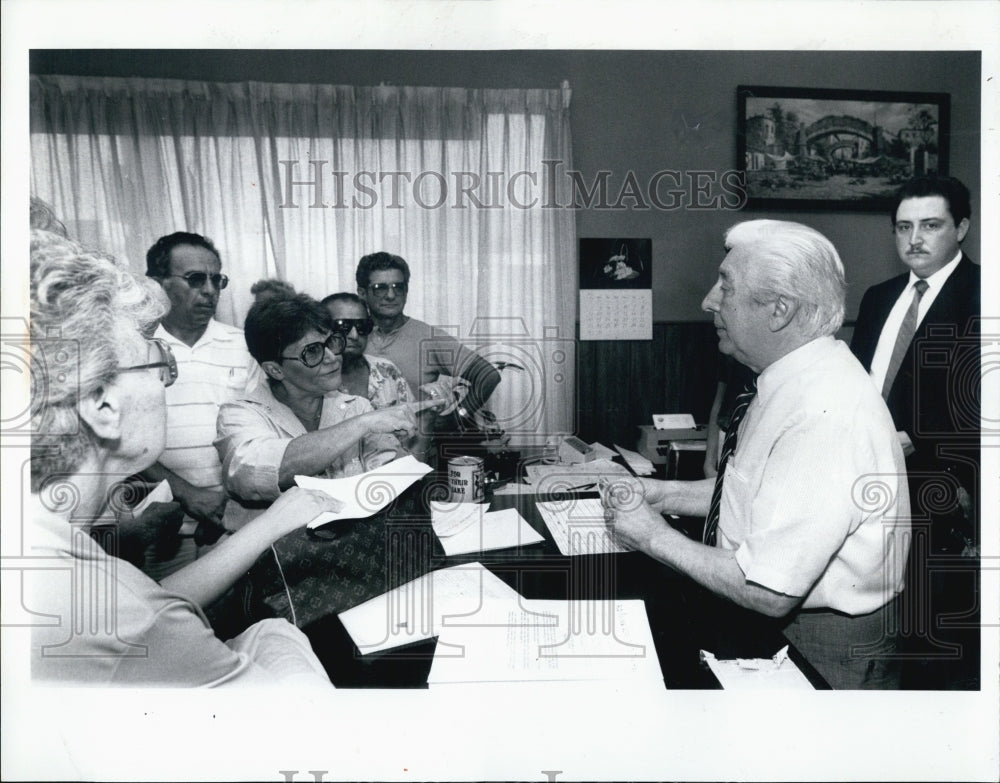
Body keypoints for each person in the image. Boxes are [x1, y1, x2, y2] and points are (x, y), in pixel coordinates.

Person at [603, 219, 910, 689]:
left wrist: (650, 535)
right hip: (784, 629)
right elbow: (759, 495)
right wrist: (662, 495)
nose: (708, 301)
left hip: (821, 649)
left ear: (779, 310)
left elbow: (766, 589)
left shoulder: (822, 413)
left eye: (725, 286)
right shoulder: (792, 378)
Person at [27, 229, 342, 685]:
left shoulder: (57, 555)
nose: (167, 383)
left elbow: (152, 600)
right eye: (158, 365)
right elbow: (288, 715)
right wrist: (272, 634)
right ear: (102, 406)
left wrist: (270, 524)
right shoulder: (116, 609)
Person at [850, 175, 981, 688]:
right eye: (903, 227)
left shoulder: (984, 295)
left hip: (941, 491)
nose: (915, 239)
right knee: (876, 623)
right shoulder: (879, 297)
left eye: (931, 225)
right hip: (868, 482)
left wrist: (918, 440)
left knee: (932, 639)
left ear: (962, 228)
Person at [215, 291, 443, 531]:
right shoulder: (238, 415)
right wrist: (362, 424)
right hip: (271, 561)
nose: (333, 358)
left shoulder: (355, 407)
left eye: (332, 343)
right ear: (275, 370)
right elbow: (260, 470)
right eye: (312, 352)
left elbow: (392, 484)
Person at [141, 231, 255, 577]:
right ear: (158, 284)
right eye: (195, 279)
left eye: (216, 279)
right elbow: (118, 442)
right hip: (161, 528)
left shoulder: (243, 345)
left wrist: (233, 507)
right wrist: (187, 494)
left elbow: (257, 434)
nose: (209, 290)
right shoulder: (135, 348)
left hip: (234, 523)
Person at [356, 251, 501, 414]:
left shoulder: (427, 337)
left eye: (398, 287)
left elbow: (487, 376)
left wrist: (455, 419)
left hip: (411, 437)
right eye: (380, 288)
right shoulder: (351, 336)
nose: (390, 295)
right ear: (362, 293)